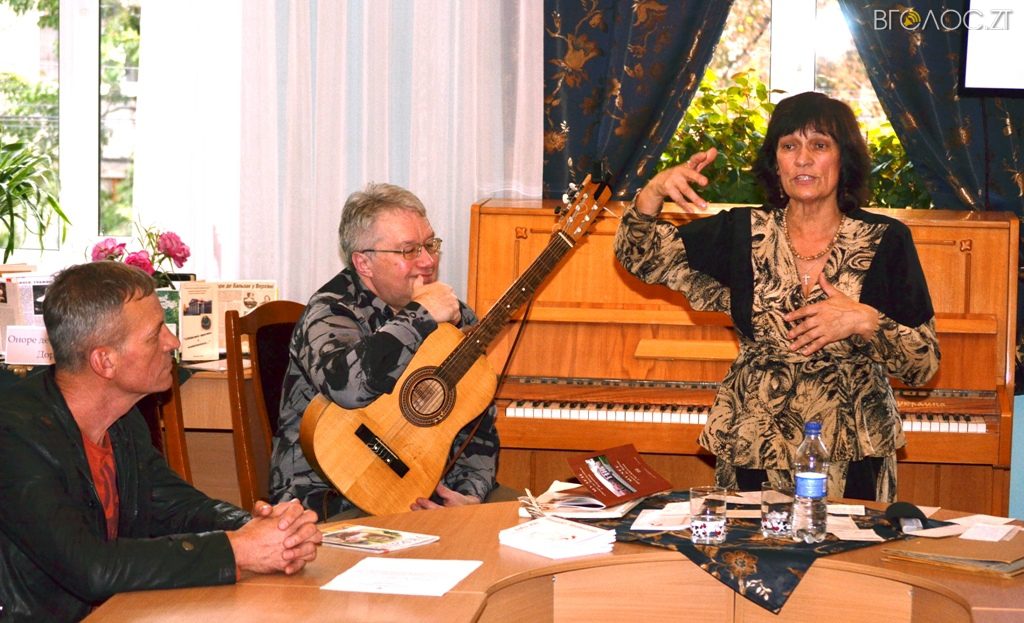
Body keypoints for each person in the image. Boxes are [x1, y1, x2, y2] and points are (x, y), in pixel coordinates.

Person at [614, 91, 940, 502]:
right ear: (776, 162)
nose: (802, 159)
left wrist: (865, 321)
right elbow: (641, 256)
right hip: (754, 442)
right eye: (789, 146)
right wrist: (653, 191)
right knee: (749, 545)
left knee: (847, 547)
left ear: (844, 158)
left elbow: (923, 364)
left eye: (819, 145)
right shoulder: (740, 232)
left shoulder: (886, 239)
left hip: (853, 448)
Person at [0, 262, 322, 623]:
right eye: (155, 334)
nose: (173, 342)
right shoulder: (15, 436)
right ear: (104, 361)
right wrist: (238, 550)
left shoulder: (122, 422)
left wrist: (267, 529)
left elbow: (177, 507)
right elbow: (90, 567)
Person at [270, 182, 503, 520]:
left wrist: (469, 494)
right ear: (364, 263)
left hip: (420, 494)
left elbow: (476, 423)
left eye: (430, 245)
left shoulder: (455, 317)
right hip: (325, 500)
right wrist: (421, 316)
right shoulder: (330, 313)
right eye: (409, 251)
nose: (428, 261)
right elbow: (350, 387)